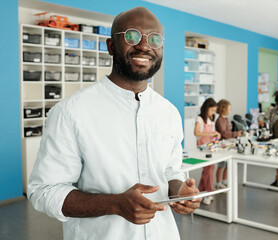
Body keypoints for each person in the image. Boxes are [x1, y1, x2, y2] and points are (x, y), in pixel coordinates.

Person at [28, 7, 201, 240]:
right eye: (131, 36)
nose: (143, 46)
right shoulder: (71, 112)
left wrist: (179, 191)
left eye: (154, 39)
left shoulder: (168, 112)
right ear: (111, 46)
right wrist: (115, 204)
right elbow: (44, 191)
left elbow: (170, 170)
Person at [194, 98, 221, 205]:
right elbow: (196, 133)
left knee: (209, 170)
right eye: (212, 110)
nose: (213, 113)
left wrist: (216, 134)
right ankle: (208, 192)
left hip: (210, 147)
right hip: (202, 148)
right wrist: (212, 133)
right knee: (208, 170)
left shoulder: (211, 118)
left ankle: (201, 191)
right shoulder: (200, 118)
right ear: (206, 109)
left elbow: (211, 132)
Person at [214, 99, 242, 189]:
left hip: (227, 144)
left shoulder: (225, 119)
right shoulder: (219, 120)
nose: (230, 110)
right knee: (221, 165)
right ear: (223, 109)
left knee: (227, 165)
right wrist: (236, 133)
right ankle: (218, 184)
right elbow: (224, 134)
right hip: (222, 146)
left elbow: (228, 132)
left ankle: (224, 181)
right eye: (229, 108)